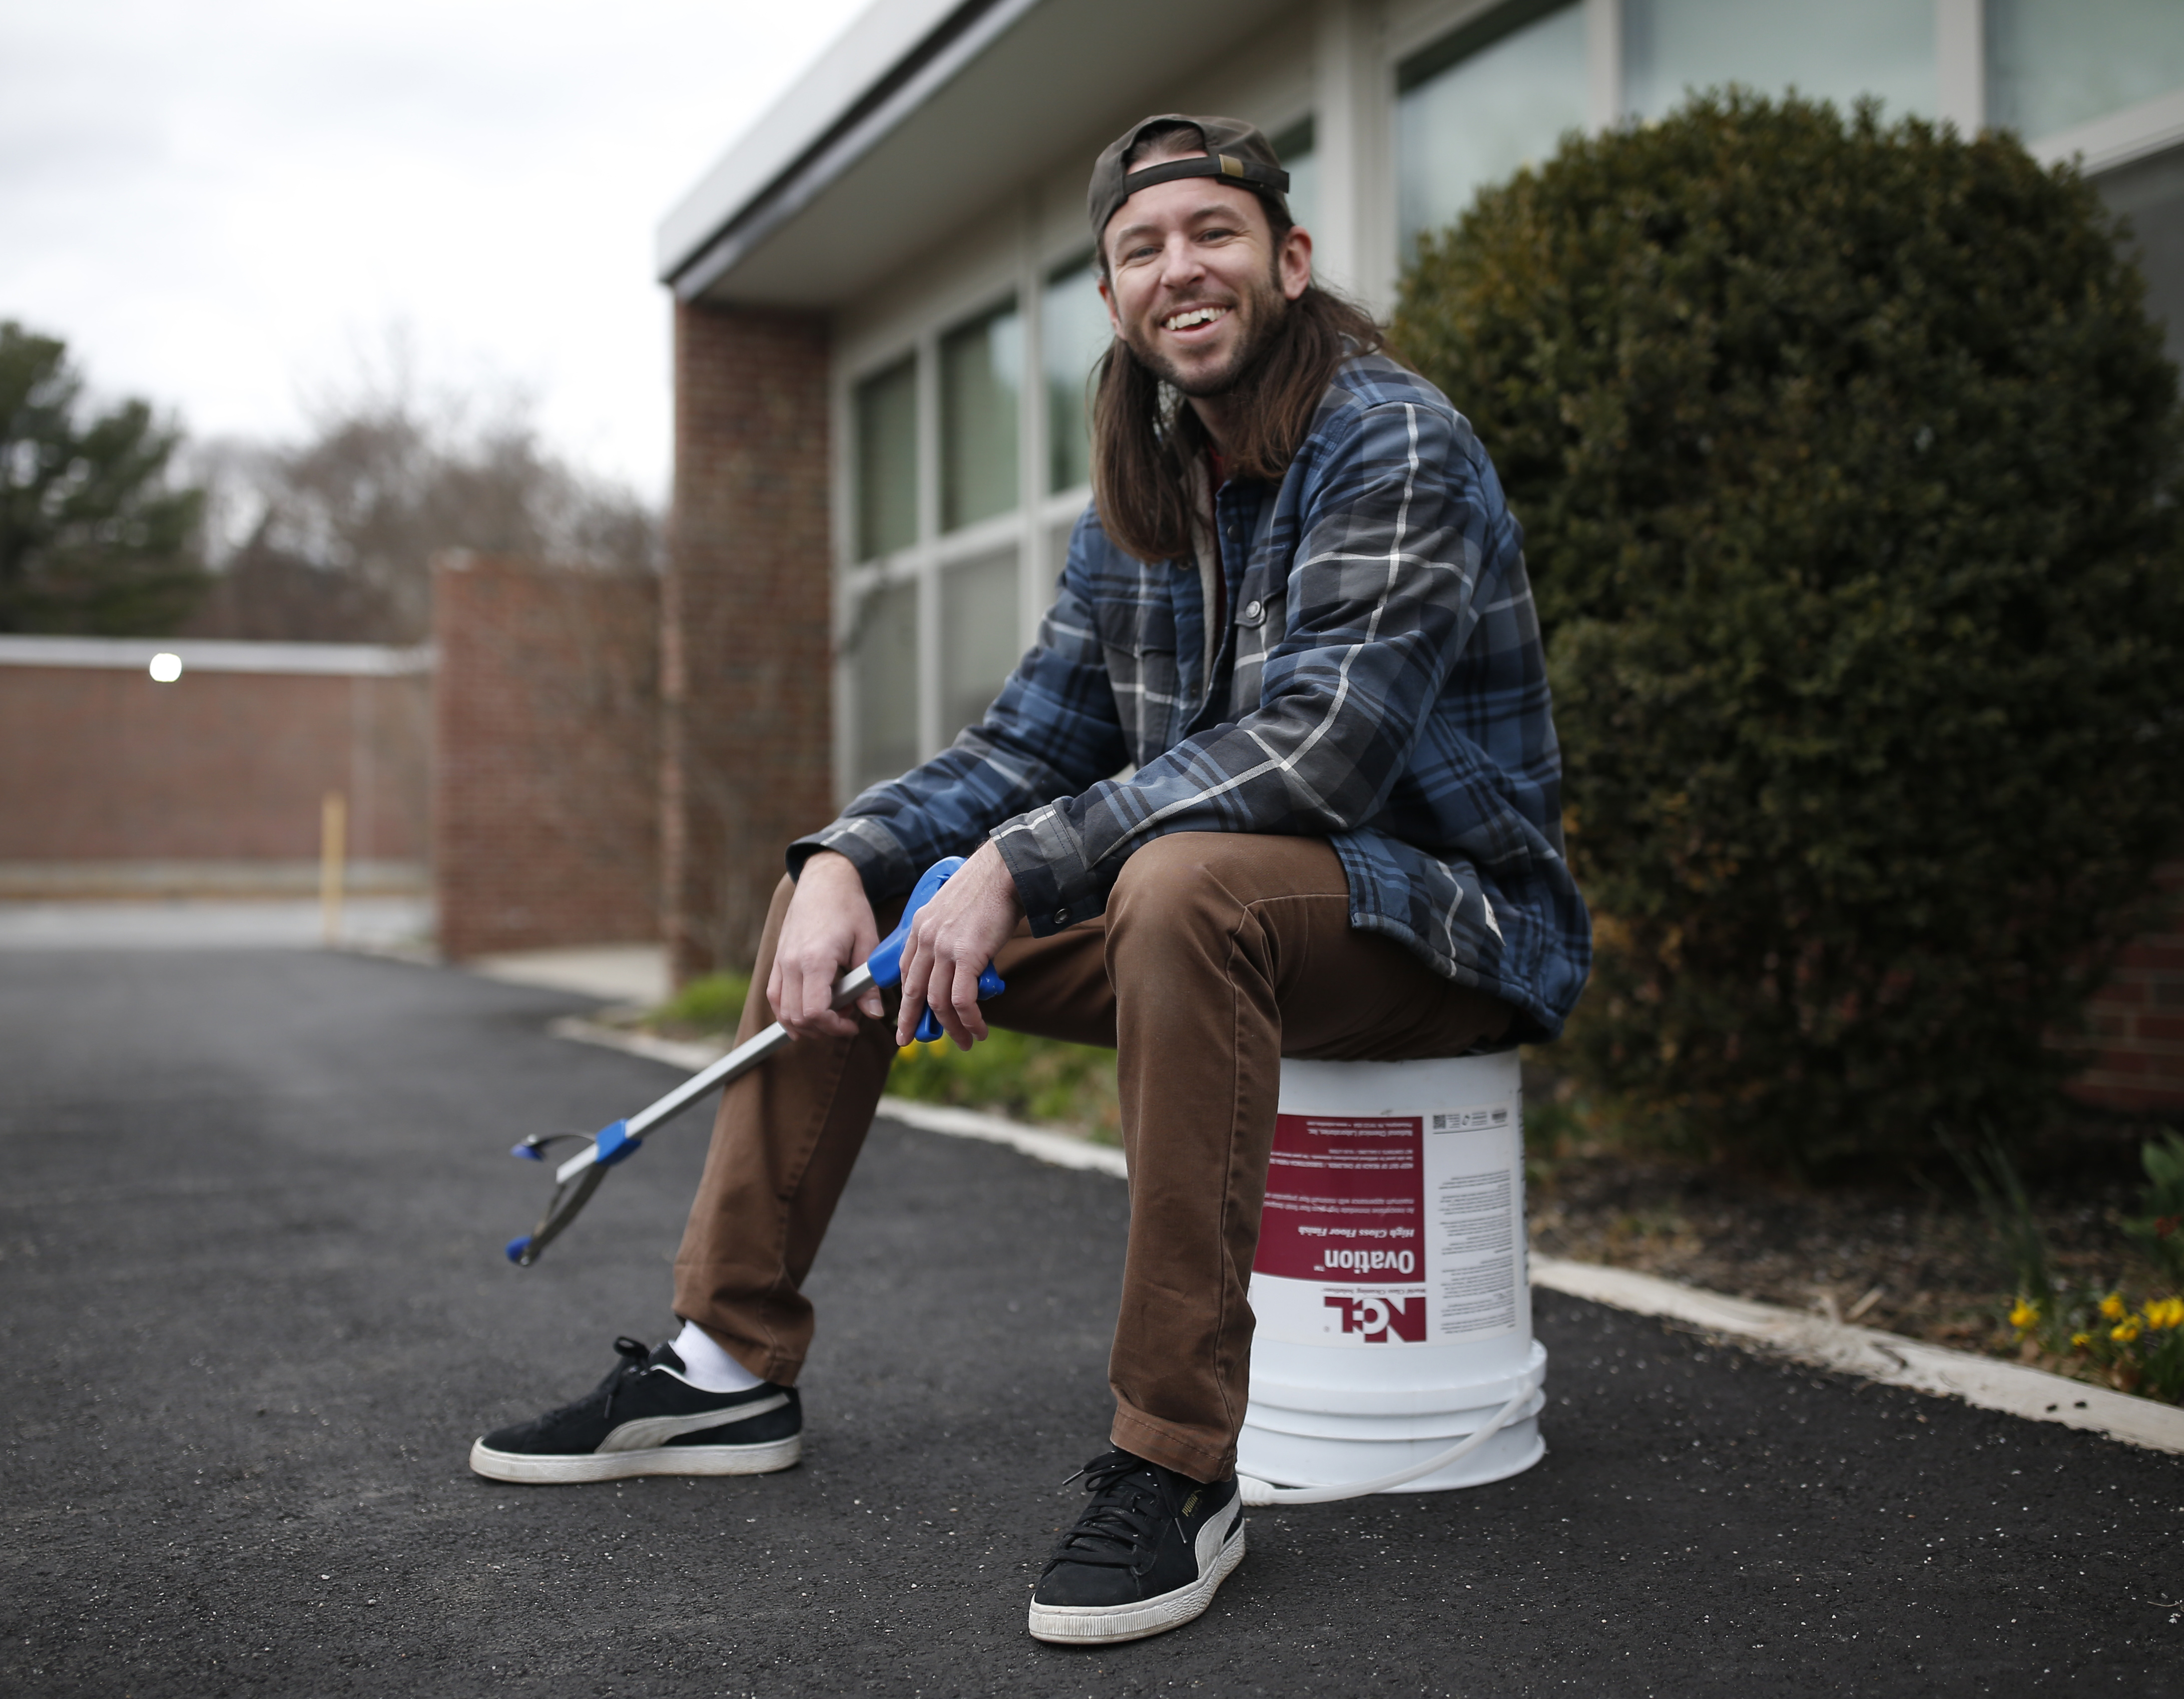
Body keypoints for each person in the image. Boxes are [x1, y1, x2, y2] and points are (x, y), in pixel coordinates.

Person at [468, 113, 1589, 1646]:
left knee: (1188, 882)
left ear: (1289, 258)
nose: (1179, 268)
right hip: (1208, 921)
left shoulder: (1391, 437)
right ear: (1115, 294)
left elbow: (1320, 747)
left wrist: (1021, 861)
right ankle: (725, 1369)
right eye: (1142, 249)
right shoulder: (1147, 485)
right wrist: (849, 859)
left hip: (1438, 927)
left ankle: (1177, 1464)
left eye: (1213, 233)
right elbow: (1024, 743)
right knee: (867, 895)